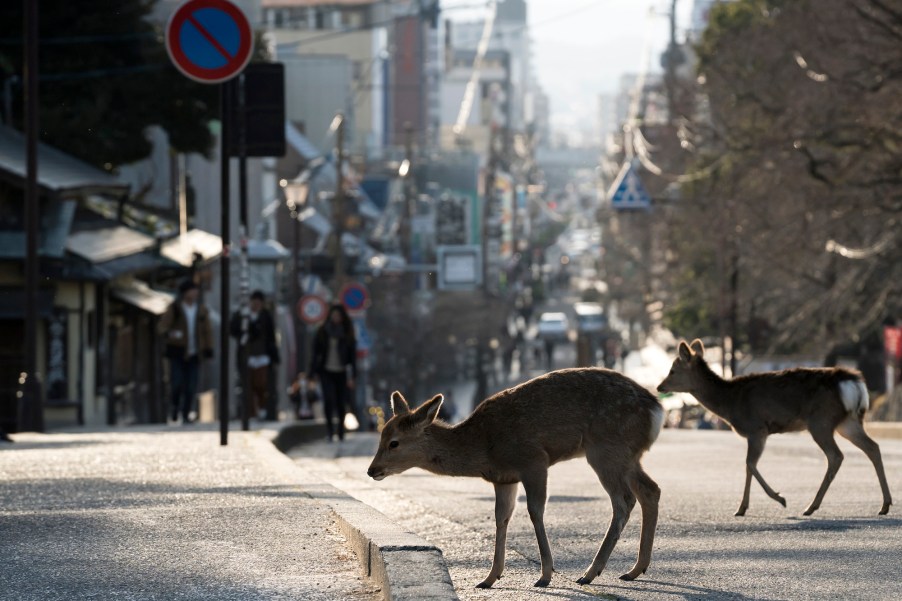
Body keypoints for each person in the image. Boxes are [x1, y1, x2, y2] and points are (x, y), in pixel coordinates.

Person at [158, 279, 214, 423]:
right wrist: (171, 334)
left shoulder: (201, 309)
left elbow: (207, 330)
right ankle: (175, 408)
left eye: (195, 290)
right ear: (185, 293)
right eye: (192, 290)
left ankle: (187, 412)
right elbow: (163, 326)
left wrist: (208, 348)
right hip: (177, 351)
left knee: (191, 385)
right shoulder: (175, 308)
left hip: (195, 352)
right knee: (176, 383)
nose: (195, 292)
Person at [309, 303, 357, 441]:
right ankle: (330, 431)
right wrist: (311, 373)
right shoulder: (322, 331)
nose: (336, 318)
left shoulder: (347, 332)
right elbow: (315, 353)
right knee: (329, 400)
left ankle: (341, 430)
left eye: (338, 316)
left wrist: (353, 375)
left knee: (341, 402)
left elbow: (352, 356)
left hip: (342, 371)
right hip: (326, 371)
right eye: (334, 315)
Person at [230, 290, 280, 419]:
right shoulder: (242, 315)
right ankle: (250, 412)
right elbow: (233, 330)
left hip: (262, 355)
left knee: (261, 384)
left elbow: (271, 337)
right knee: (247, 385)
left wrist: (273, 354)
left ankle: (262, 408)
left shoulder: (265, 316)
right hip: (247, 355)